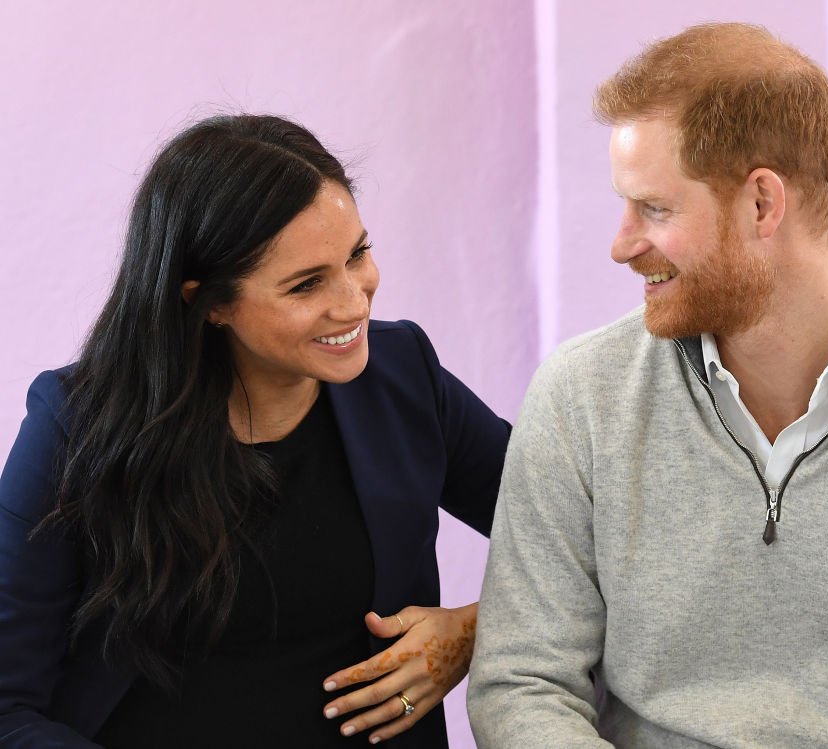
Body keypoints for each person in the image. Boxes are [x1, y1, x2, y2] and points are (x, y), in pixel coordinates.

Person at [467, 22, 828, 749]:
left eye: (655, 208)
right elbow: (522, 683)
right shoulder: (580, 399)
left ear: (763, 203)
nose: (622, 243)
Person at [0, 114, 510, 748]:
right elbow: (7, 708)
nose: (353, 302)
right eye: (306, 285)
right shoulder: (75, 425)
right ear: (208, 302)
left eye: (357, 254)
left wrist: (477, 630)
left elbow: (593, 541)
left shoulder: (404, 374)